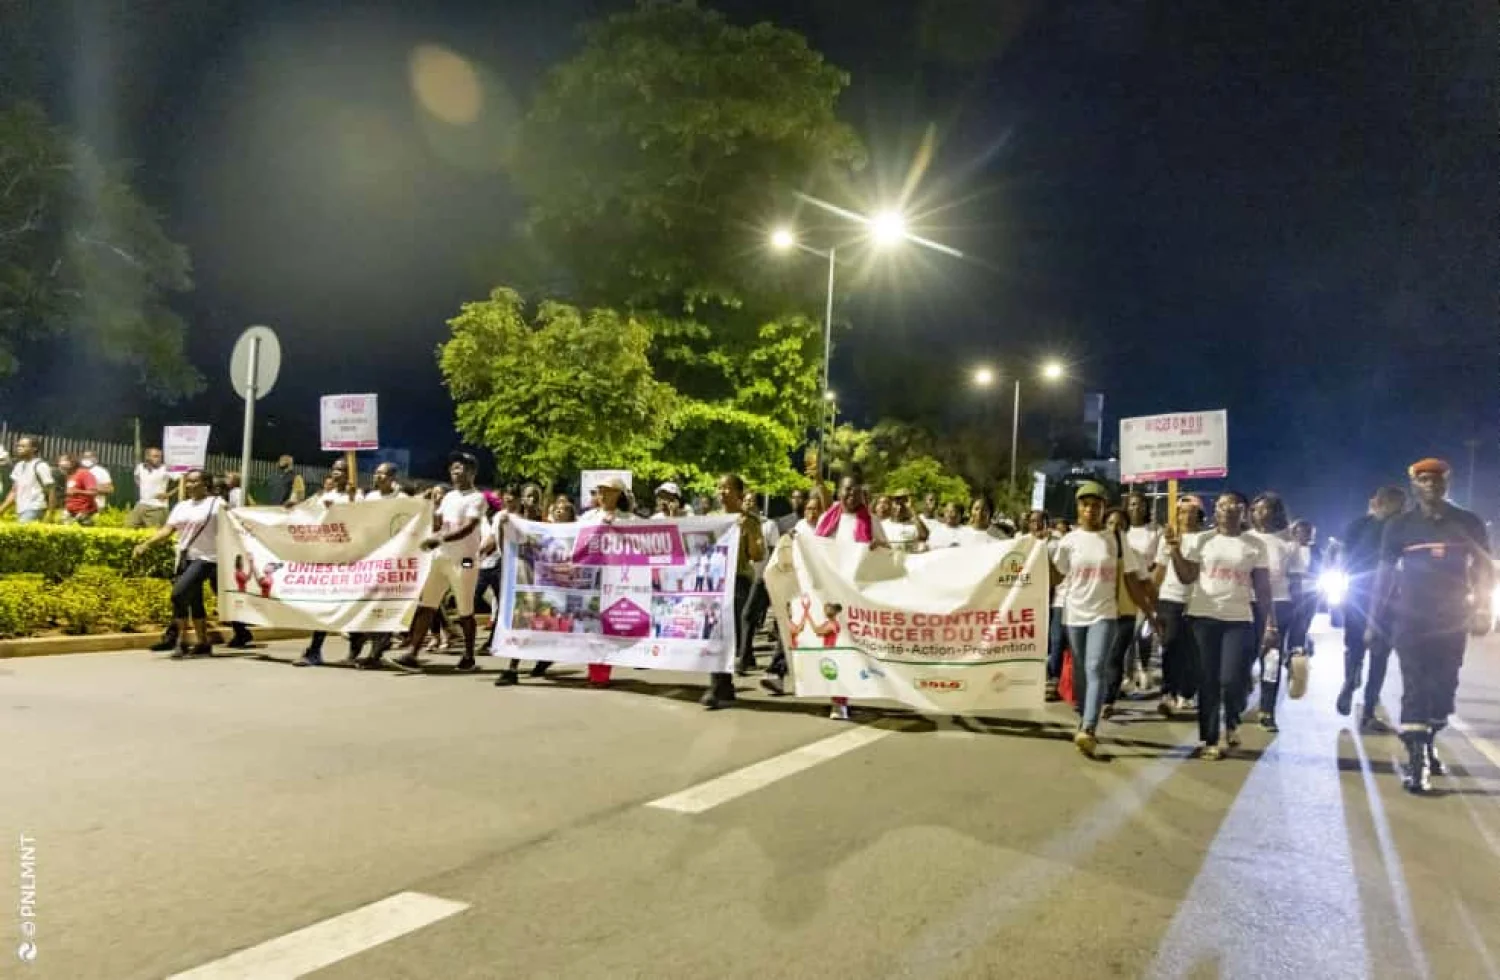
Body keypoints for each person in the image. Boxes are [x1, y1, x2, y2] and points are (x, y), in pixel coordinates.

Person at [1367, 458, 1492, 794]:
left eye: (1437, 479)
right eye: (1423, 479)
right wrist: (1373, 618)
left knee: (1443, 689)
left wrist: (1483, 608)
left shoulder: (1468, 522)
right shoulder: (1399, 526)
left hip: (1452, 619)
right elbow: (1384, 574)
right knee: (1415, 684)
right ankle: (1417, 760)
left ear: (1447, 484)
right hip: (1410, 617)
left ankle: (1428, 736)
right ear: (1414, 485)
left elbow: (1484, 568)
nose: (1431, 485)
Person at [1163, 491, 1276, 760]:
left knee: (1232, 678)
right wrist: (1175, 549)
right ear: (1216, 511)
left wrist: (1270, 623)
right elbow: (1187, 576)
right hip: (1203, 617)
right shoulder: (1202, 540)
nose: (1228, 509)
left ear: (1243, 511)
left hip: (1239, 619)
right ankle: (1211, 739)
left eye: (1234, 504)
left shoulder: (1255, 545)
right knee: (1208, 679)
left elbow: (1262, 587)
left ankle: (1232, 719)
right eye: (1223, 505)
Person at [1050, 484, 1155, 758]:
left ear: (1103, 508)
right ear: (1078, 508)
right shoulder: (1068, 541)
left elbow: (1131, 579)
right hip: (1074, 613)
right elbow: (1057, 576)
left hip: (1105, 613)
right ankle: (1085, 714)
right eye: (1085, 505)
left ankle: (1089, 728)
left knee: (1096, 667)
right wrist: (1039, 551)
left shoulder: (1116, 540)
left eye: (1096, 505)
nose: (1090, 509)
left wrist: (1150, 610)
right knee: (1081, 671)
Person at [392, 452, 486, 673]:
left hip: (464, 561)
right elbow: (438, 523)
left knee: (465, 609)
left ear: (472, 472)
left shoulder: (476, 498)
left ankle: (469, 656)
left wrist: (440, 539)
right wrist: (431, 506)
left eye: (460, 468)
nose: (455, 472)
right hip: (441, 558)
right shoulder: (449, 497)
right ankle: (412, 652)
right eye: (452, 468)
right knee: (427, 604)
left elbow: (468, 527)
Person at [132, 469, 225, 658]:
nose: (189, 485)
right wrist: (146, 544)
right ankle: (202, 643)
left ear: (206, 484)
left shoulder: (217, 504)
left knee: (178, 594)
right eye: (188, 481)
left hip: (207, 558)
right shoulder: (182, 506)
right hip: (184, 557)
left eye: (194, 481)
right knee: (194, 600)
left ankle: (181, 640)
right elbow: (167, 530)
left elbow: (233, 527)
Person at [1335, 485, 1407, 724]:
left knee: (1356, 646)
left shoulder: (1358, 525)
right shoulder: (1401, 529)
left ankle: (1351, 681)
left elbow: (1344, 559)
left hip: (1360, 593)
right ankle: (1367, 708)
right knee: (1379, 654)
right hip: (1386, 598)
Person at [696, 474, 765, 709]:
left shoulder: (750, 521)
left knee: (728, 633)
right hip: (715, 581)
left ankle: (721, 685)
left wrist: (749, 532)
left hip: (738, 582)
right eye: (719, 488)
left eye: (727, 488)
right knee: (715, 633)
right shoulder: (712, 519)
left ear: (739, 493)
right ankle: (720, 686)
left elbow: (757, 555)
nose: (722, 492)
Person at [1246, 491, 1304, 731]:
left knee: (1271, 659)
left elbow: (1296, 581)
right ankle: (1241, 691)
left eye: (1265, 509)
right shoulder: (1245, 538)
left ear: (1276, 512)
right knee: (1245, 654)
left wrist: (1299, 619)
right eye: (1255, 509)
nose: (1259, 513)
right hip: (1247, 603)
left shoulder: (1288, 543)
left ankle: (1267, 710)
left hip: (1280, 604)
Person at [1098, 505, 1159, 722]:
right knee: (1098, 658)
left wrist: (1154, 610)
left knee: (1114, 657)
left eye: (1120, 525)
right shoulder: (1095, 552)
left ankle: (1107, 700)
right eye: (1110, 523)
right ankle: (1095, 696)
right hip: (1097, 612)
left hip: (1125, 613)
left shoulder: (1134, 556)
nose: (1115, 528)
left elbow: (1145, 584)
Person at [762, 495, 827, 696]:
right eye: (808, 508)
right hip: (800, 592)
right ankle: (776, 672)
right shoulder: (797, 530)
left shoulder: (828, 531)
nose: (812, 513)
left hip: (823, 593)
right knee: (792, 629)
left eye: (816, 509)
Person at [1153, 495, 1204, 715]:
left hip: (1198, 600)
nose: (1187, 516)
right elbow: (1160, 570)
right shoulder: (1168, 538)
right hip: (1170, 598)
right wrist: (1151, 600)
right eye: (1182, 512)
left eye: (1192, 511)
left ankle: (1187, 692)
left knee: (1193, 650)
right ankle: (1168, 692)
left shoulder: (1205, 539)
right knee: (1170, 645)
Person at [1123, 491, 1161, 691]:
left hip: (1145, 586)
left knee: (1143, 633)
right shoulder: (1122, 531)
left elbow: (1158, 562)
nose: (1136, 508)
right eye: (1132, 504)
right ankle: (1127, 674)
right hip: (1124, 589)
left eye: (1140, 504)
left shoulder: (1154, 532)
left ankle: (1144, 668)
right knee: (1127, 633)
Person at [1, 437, 56, 523]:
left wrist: (50, 513)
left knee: (20, 530)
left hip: (35, 507)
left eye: (23, 446)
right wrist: (2, 509)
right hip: (21, 509)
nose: (19, 448)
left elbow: (51, 490)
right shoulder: (19, 466)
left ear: (34, 448)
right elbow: (14, 491)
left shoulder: (40, 465)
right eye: (18, 446)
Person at [128, 447, 174, 527]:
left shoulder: (166, 468)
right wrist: (142, 485)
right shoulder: (140, 467)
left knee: (154, 531)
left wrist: (169, 494)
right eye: (155, 456)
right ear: (147, 457)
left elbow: (184, 478)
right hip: (141, 504)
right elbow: (136, 476)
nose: (159, 459)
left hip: (157, 506)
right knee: (128, 526)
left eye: (160, 457)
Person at [56, 454, 100, 525]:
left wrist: (77, 491)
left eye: (63, 461)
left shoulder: (84, 473)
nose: (60, 465)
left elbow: (94, 492)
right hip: (71, 511)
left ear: (72, 463)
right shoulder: (69, 475)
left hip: (85, 512)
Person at [79, 450, 114, 514]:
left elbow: (110, 489)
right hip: (78, 506)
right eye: (84, 457)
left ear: (96, 459)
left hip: (96, 507)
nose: (86, 459)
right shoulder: (77, 470)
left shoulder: (101, 471)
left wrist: (92, 487)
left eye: (89, 457)